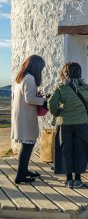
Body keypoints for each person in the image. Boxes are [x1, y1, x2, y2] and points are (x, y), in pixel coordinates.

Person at [48, 62, 88, 188]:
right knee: (80, 149)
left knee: (65, 150)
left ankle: (68, 180)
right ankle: (78, 179)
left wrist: (58, 113)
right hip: (81, 123)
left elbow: (51, 104)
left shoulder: (60, 87)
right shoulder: (86, 88)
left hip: (64, 124)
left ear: (65, 73)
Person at [11, 55, 47, 184]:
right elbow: (30, 99)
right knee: (27, 145)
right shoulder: (30, 78)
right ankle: (20, 175)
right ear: (36, 67)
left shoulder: (20, 77)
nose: (41, 71)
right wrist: (45, 100)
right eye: (41, 68)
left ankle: (24, 170)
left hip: (21, 115)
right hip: (26, 116)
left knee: (26, 145)